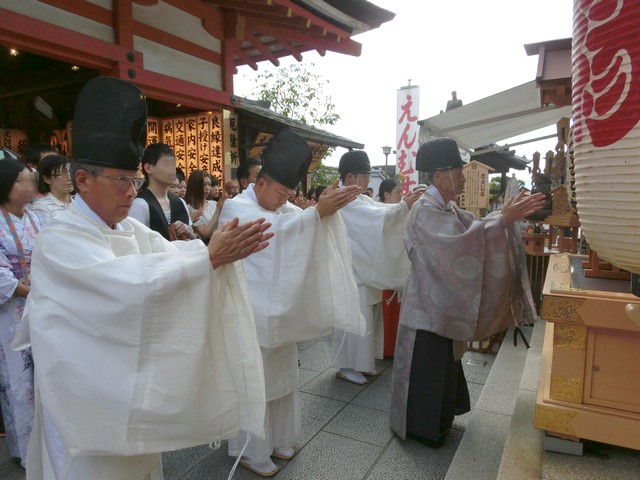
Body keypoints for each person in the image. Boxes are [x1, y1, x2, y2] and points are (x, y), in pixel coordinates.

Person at [13, 76, 273, 480]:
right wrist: (206, 260)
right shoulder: (57, 239)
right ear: (82, 181)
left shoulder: (130, 230)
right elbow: (123, 283)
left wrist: (211, 255)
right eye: (121, 180)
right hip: (89, 404)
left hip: (129, 397)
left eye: (133, 180)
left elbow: (172, 258)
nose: (131, 192)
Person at [220, 129, 364, 478]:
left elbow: (293, 227)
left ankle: (278, 438)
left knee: (282, 377)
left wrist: (320, 214)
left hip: (278, 312)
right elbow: (274, 235)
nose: (284, 199)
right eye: (281, 192)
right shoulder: (235, 206)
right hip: (250, 312)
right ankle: (251, 449)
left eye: (288, 194)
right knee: (256, 380)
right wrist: (316, 214)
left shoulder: (280, 206)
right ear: (261, 182)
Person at [390, 137, 546, 448]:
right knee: (427, 368)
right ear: (439, 176)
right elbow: (458, 246)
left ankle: (439, 422)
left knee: (442, 366)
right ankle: (422, 429)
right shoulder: (424, 210)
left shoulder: (444, 207)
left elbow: (473, 228)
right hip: (426, 310)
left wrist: (504, 218)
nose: (463, 176)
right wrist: (503, 219)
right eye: (458, 171)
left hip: (439, 305)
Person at [331, 151, 423, 386]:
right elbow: (376, 217)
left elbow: (377, 212)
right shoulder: (343, 198)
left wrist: (402, 206)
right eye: (365, 175)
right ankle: (346, 365)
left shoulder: (358, 198)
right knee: (355, 316)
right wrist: (402, 207)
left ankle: (363, 362)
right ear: (350, 176)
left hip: (361, 268)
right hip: (350, 270)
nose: (366, 180)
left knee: (368, 316)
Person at [0, 154, 41, 469]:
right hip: (12, 309)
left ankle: (44, 443)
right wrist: (28, 289)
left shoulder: (35, 218)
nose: (28, 184)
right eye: (20, 180)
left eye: (29, 179)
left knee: (41, 374)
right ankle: (24, 449)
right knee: (17, 379)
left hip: (39, 303)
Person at [128, 143, 196, 241]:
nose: (172, 170)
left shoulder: (180, 202)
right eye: (166, 164)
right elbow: (136, 244)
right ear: (148, 168)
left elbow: (194, 240)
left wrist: (186, 231)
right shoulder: (140, 205)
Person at [377, 178, 404, 357]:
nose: (401, 195)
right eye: (397, 192)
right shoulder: (377, 212)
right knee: (385, 312)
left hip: (397, 266)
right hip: (384, 268)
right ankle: (384, 348)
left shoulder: (399, 212)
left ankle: (393, 347)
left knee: (396, 311)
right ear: (386, 194)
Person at [31, 154, 74, 224]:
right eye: (62, 174)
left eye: (70, 172)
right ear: (47, 179)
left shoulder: (78, 204)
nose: (69, 178)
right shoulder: (41, 207)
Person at [185, 169, 224, 242]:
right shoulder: (189, 208)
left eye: (209, 184)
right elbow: (205, 233)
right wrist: (218, 210)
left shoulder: (214, 203)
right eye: (204, 184)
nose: (207, 188)